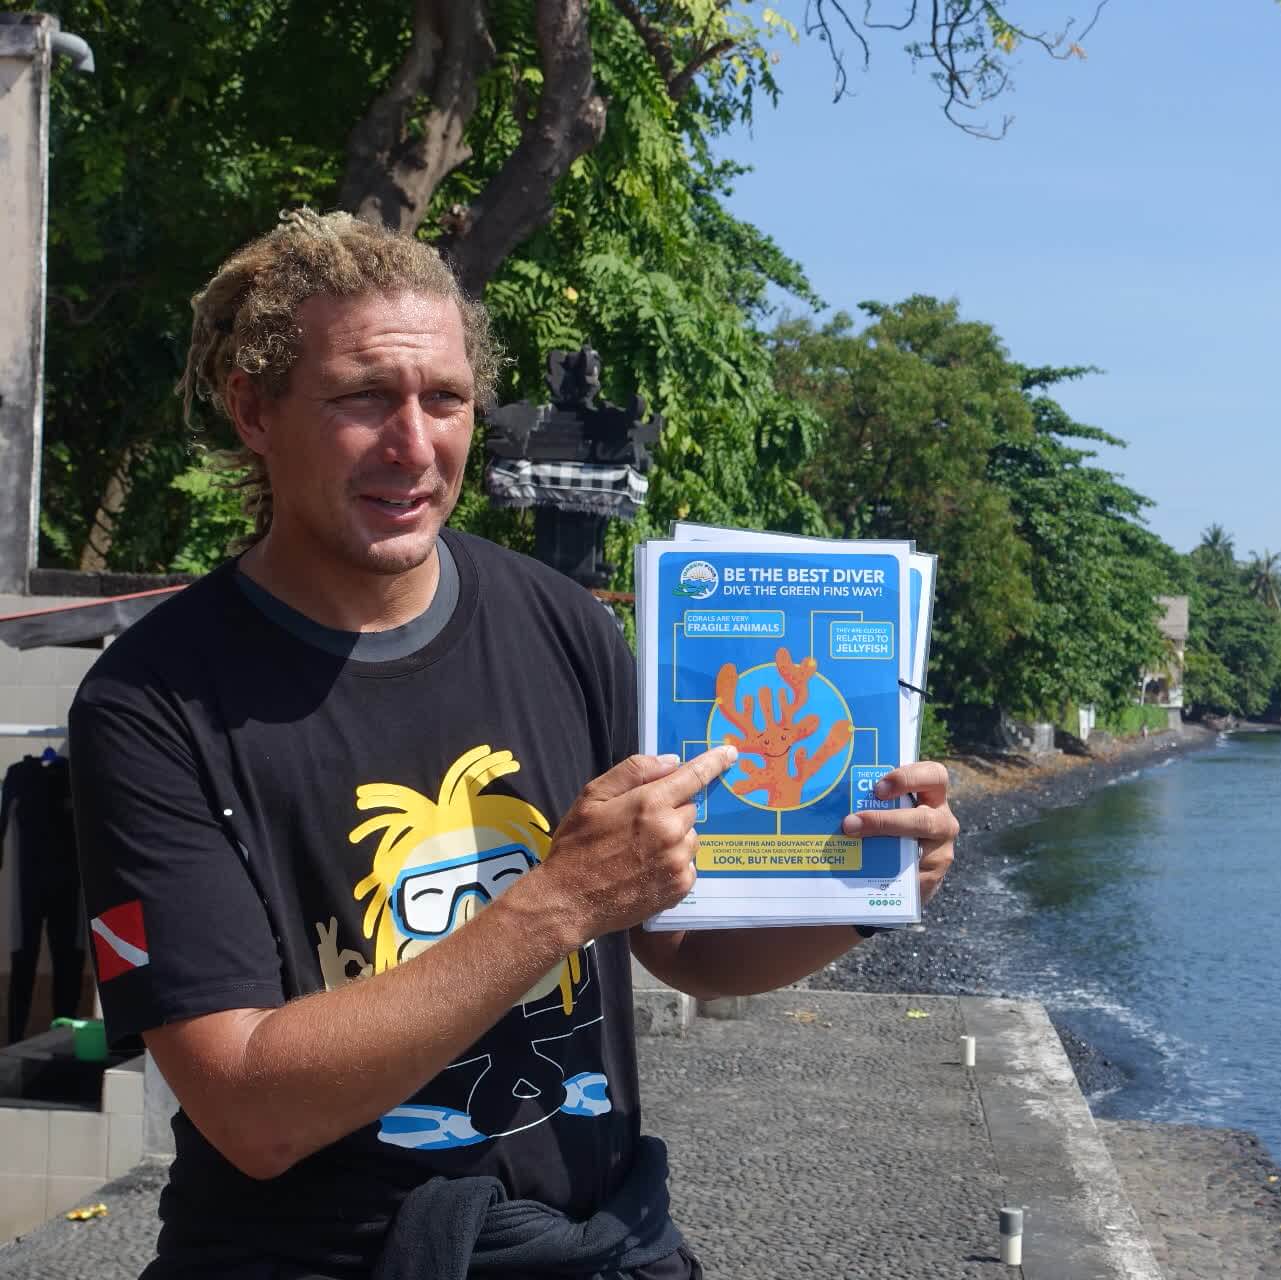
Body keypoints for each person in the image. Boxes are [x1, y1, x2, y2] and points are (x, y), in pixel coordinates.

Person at [70, 211, 958, 1280]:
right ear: (254, 409)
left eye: (443, 399)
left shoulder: (563, 626)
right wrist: (558, 900)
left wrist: (861, 881)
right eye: (362, 398)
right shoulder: (153, 703)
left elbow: (682, 944)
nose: (413, 443)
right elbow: (249, 1106)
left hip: (599, 1241)